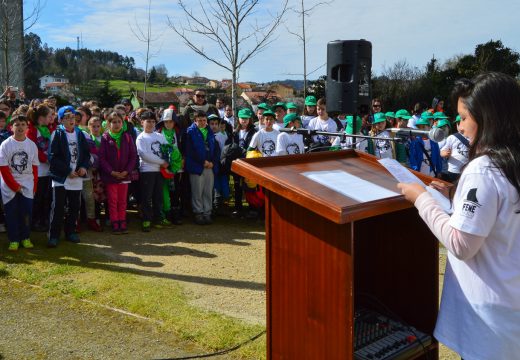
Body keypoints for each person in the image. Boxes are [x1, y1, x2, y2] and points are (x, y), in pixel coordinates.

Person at [398, 72, 520, 360]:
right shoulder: (510, 163)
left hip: (488, 322)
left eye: (463, 117)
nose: (459, 126)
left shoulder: (483, 169)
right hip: (510, 306)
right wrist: (455, 196)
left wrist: (422, 198)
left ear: (487, 117)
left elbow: (461, 244)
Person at [47, 106, 91, 248]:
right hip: (61, 177)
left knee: (74, 206)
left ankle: (70, 231)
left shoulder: (80, 133)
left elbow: (86, 154)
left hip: (77, 177)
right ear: (61, 120)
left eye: (73, 117)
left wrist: (84, 167)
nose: (71, 120)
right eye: (67, 118)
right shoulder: (57, 134)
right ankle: (53, 235)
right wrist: (67, 171)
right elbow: (53, 157)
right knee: (58, 207)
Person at [0, 114, 39, 251]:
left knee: (26, 213)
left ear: (27, 127)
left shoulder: (32, 145)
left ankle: (25, 237)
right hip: (9, 186)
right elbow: (4, 169)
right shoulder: (5, 145)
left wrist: (34, 186)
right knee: (11, 213)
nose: (20, 127)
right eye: (17, 124)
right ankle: (14, 239)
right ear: (11, 127)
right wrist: (14, 186)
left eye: (23, 124)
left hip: (27, 185)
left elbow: (34, 167)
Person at [99, 112, 137, 234]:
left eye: (119, 122)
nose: (116, 124)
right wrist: (112, 172)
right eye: (113, 122)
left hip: (125, 175)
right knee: (112, 200)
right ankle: (115, 222)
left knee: (122, 200)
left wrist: (127, 171)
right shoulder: (105, 138)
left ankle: (122, 220)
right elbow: (102, 158)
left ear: (123, 123)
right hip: (111, 176)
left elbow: (133, 156)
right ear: (108, 124)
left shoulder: (127, 137)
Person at [136, 111, 169, 232]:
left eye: (153, 121)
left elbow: (167, 149)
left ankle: (158, 218)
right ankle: (146, 219)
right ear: (142, 122)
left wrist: (168, 160)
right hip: (147, 171)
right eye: (148, 121)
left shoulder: (159, 136)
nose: (151, 124)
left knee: (158, 196)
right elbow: (145, 156)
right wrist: (162, 162)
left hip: (159, 171)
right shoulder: (141, 138)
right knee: (147, 197)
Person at [185, 111, 219, 225]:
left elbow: (216, 150)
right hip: (196, 167)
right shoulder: (190, 133)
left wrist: (213, 163)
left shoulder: (210, 132)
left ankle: (207, 213)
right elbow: (190, 151)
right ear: (195, 121)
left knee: (208, 191)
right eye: (200, 120)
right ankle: (198, 213)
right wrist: (202, 162)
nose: (202, 122)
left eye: (204, 120)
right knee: (197, 191)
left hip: (210, 166)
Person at [26, 104, 53, 232]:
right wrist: (46, 158)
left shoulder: (48, 129)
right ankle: (34, 221)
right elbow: (33, 149)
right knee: (37, 197)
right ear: (41, 117)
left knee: (46, 197)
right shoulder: (32, 130)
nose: (51, 118)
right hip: (37, 171)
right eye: (49, 116)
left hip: (48, 170)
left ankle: (44, 220)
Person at [440, 115, 469, 182]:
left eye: (463, 123)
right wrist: (444, 153)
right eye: (458, 124)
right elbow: (442, 151)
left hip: (466, 170)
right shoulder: (452, 137)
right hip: (453, 170)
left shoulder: (472, 137)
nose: (461, 126)